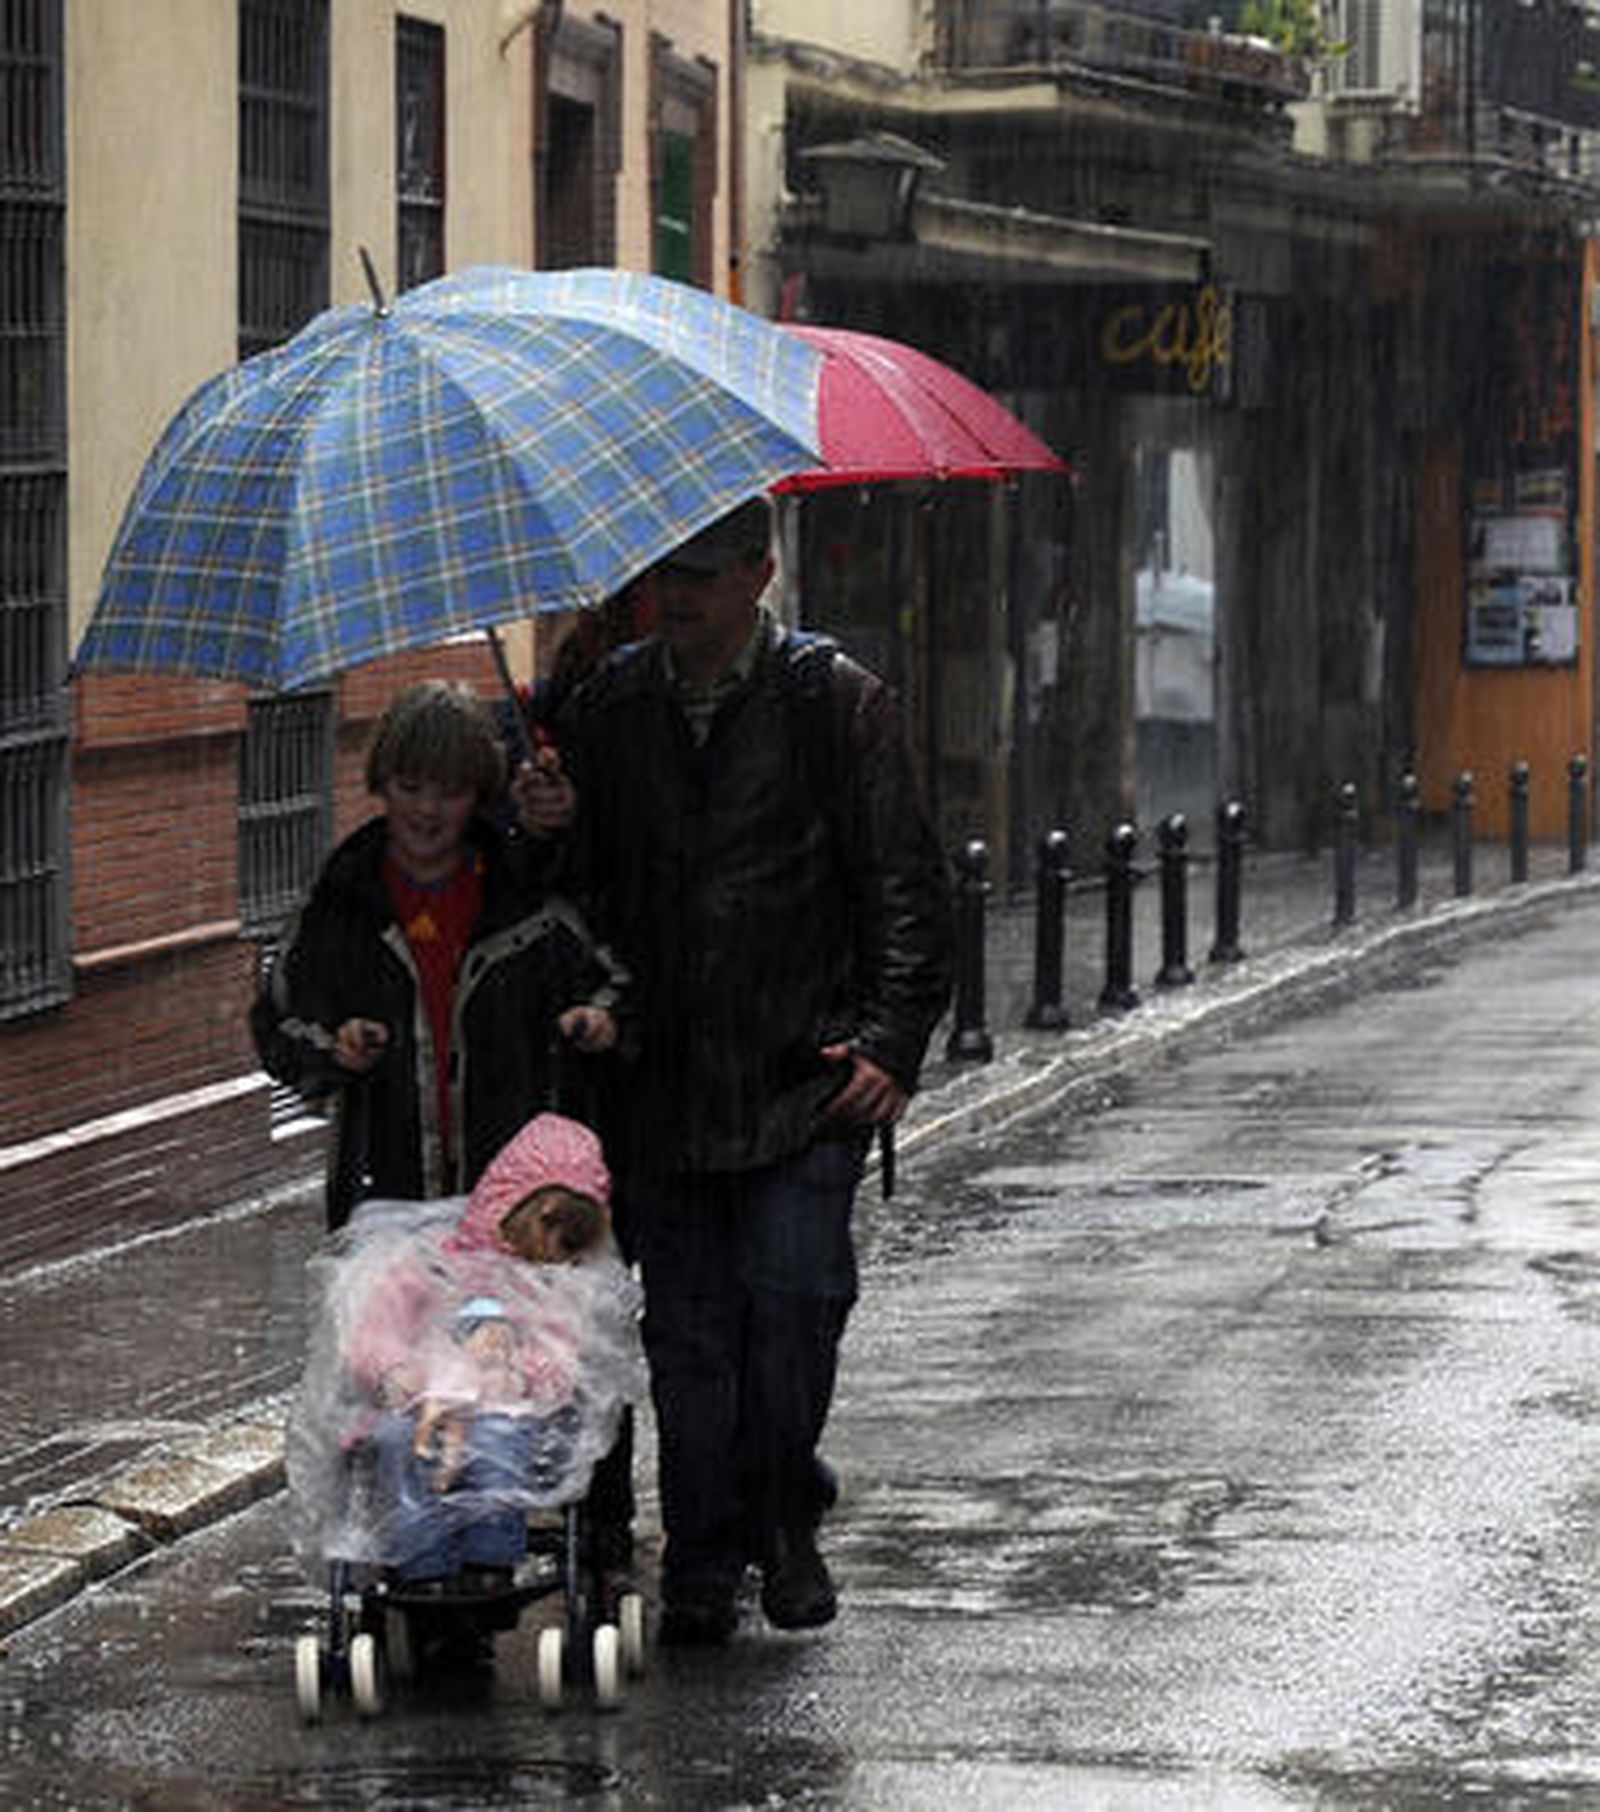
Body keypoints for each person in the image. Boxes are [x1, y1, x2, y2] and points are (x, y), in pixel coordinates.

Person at [532, 494, 952, 1645]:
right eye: (664, 574)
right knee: (691, 1335)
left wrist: (887, 1045)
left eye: (703, 576)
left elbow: (906, 891)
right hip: (662, 1083)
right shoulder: (610, 708)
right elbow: (579, 899)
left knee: (793, 1312)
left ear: (759, 575)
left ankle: (783, 1515)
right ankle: (706, 1555)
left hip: (798, 1075)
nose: (677, 597)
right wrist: (550, 824)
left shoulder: (834, 703)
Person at [251, 679, 625, 1230]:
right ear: (381, 782)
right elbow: (278, 1024)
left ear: (479, 793)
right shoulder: (341, 902)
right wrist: (336, 1048)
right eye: (410, 786)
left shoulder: (530, 900)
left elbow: (614, 986)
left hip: (519, 1216)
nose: (427, 810)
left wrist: (598, 1023)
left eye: (450, 792)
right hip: (386, 1218)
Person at [310, 1112, 641, 1592]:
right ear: (540, 1212)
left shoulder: (553, 1290)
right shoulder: (434, 1261)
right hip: (417, 1399)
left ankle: (489, 1562)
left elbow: (560, 1357)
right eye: (557, 1248)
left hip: (502, 1406)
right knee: (401, 1447)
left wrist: (521, 1374)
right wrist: (393, 1370)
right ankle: (421, 1565)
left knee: (499, 1447)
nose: (557, 1265)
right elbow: (378, 1328)